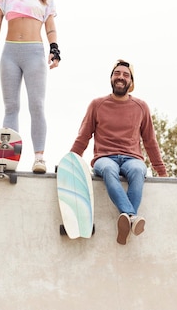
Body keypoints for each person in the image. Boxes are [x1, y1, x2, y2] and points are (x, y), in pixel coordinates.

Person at [70, 60, 168, 245]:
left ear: (131, 81)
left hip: (132, 158)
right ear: (111, 78)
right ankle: (132, 217)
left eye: (125, 75)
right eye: (117, 73)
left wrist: (161, 170)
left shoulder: (141, 107)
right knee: (108, 170)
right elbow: (83, 136)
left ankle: (128, 220)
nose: (121, 77)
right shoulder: (97, 104)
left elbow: (149, 140)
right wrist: (71, 161)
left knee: (139, 170)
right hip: (105, 157)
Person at [0, 0, 61, 174]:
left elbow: (50, 26)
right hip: (10, 53)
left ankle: (39, 158)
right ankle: (7, 156)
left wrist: (54, 48)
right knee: (11, 106)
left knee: (36, 105)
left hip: (35, 53)